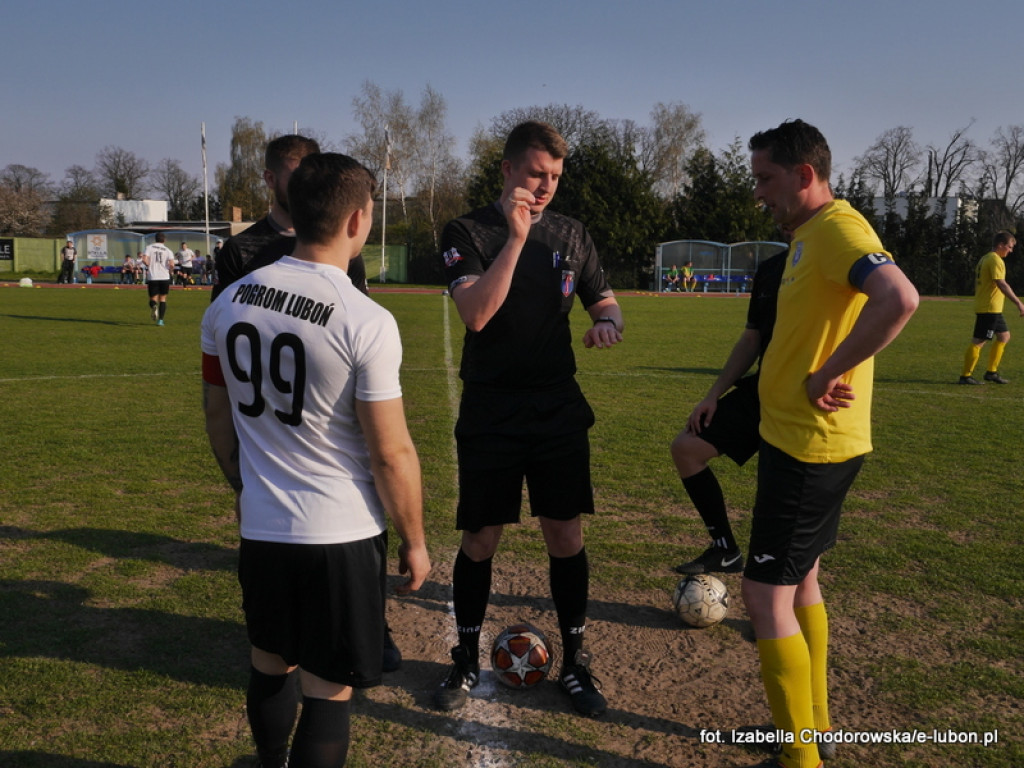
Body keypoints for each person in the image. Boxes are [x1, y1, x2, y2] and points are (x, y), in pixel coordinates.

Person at [201, 152, 430, 768]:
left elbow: (218, 418)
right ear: (357, 220)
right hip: (341, 533)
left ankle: (267, 760)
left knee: (270, 660)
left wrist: (242, 486)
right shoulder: (366, 318)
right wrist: (414, 538)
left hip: (262, 525)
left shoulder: (228, 304)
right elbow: (391, 451)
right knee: (330, 689)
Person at [433, 121, 624, 718]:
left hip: (556, 406)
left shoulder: (571, 233)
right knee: (481, 537)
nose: (546, 188)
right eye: (537, 174)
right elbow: (476, 315)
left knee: (565, 535)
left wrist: (609, 322)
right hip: (492, 407)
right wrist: (515, 241)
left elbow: (604, 297)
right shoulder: (468, 231)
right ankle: (464, 661)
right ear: (508, 170)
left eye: (556, 178)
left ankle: (575, 663)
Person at [744, 119, 918, 768]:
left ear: (805, 175)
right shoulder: (809, 235)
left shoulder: (839, 228)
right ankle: (813, 730)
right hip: (805, 441)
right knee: (804, 580)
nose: (760, 193)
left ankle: (799, 759)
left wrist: (829, 370)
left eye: (767, 179)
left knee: (764, 597)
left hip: (809, 447)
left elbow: (898, 297)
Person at [670, 244, 787, 576]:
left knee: (778, 497)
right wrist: (713, 395)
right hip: (763, 391)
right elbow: (752, 338)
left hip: (802, 401)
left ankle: (786, 591)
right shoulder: (770, 269)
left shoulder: (827, 262)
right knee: (686, 448)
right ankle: (725, 549)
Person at [212, 135, 368, 302]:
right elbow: (221, 319)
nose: (306, 186)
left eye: (313, 178)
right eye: (297, 178)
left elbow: (360, 312)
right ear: (270, 179)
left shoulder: (340, 245)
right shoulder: (239, 250)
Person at [959, 230, 1023, 385]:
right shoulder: (995, 260)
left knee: (1004, 336)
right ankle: (965, 376)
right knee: (979, 341)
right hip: (989, 308)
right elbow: (1001, 283)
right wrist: (1018, 303)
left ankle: (991, 373)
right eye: (1009, 247)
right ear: (1000, 245)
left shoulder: (985, 258)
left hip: (992, 308)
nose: (1011, 250)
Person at [142, 232, 175, 326]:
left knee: (153, 298)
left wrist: (149, 265)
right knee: (163, 299)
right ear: (164, 240)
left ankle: (153, 306)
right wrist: (170, 269)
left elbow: (144, 259)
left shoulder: (149, 247)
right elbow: (172, 264)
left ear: (155, 239)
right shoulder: (168, 250)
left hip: (153, 276)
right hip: (164, 277)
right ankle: (160, 320)